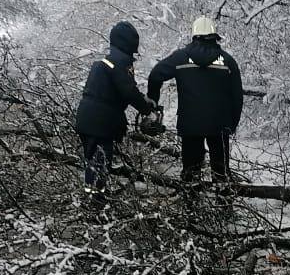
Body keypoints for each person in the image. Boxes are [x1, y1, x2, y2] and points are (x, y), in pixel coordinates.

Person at [147, 16, 244, 184]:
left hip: (190, 124)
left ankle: (191, 206)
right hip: (219, 125)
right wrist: (232, 124)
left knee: (191, 173)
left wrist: (153, 103)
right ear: (214, 35)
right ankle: (222, 205)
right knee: (221, 174)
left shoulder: (180, 57)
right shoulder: (227, 61)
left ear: (194, 35)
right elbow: (237, 96)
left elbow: (155, 75)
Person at [73, 21, 157, 199]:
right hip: (100, 123)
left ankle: (93, 198)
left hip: (88, 119)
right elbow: (128, 92)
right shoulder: (118, 65)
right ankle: (95, 203)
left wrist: (143, 101)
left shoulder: (105, 63)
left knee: (94, 162)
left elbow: (125, 89)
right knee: (100, 163)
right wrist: (147, 109)